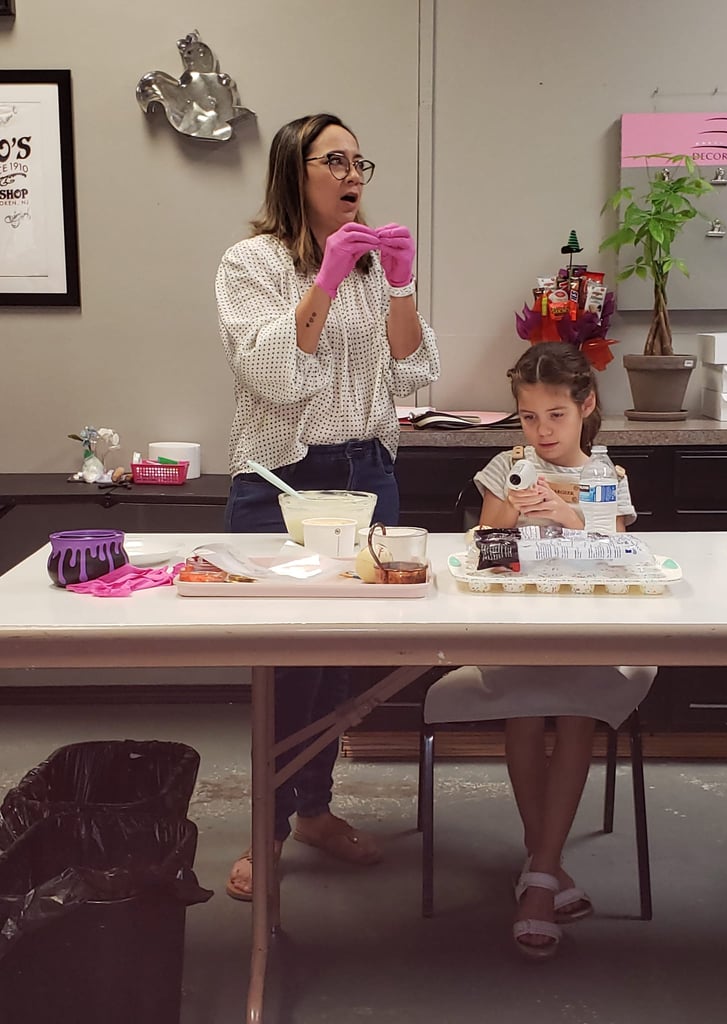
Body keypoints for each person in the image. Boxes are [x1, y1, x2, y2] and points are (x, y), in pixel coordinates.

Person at [215, 112, 440, 900]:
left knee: (341, 660)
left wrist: (399, 284)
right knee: (286, 666)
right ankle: (267, 830)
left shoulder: (373, 268)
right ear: (295, 171)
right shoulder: (250, 263)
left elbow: (412, 371)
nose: (352, 176)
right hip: (285, 479)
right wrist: (326, 279)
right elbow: (275, 376)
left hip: (367, 473)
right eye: (334, 161)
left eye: (359, 162)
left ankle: (313, 809)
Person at [433, 342, 654, 959]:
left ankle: (540, 872)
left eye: (556, 415)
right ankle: (546, 870)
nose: (543, 431)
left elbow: (618, 549)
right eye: (530, 418)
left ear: (586, 407)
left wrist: (568, 511)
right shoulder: (508, 466)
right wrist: (510, 509)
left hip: (587, 626)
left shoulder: (607, 476)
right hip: (517, 624)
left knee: (577, 709)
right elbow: (488, 549)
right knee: (526, 708)